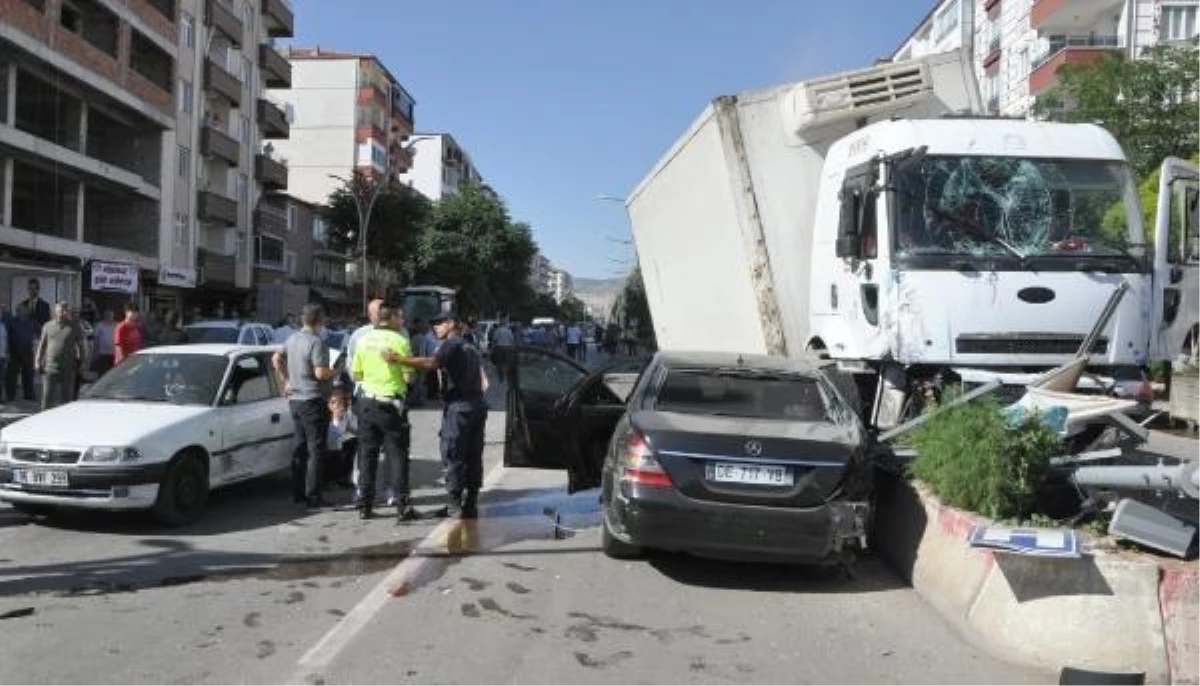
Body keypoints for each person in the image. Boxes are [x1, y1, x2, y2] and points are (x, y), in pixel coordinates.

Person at [402, 310, 489, 519]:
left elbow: (432, 363)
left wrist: (398, 359)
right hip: (477, 406)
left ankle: (454, 503)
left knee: (453, 454)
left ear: (451, 324)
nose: (435, 327)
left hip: (460, 408)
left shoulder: (452, 344)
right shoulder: (469, 344)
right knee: (473, 455)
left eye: (439, 323)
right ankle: (471, 502)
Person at [350, 305, 420, 521]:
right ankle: (401, 504)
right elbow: (409, 378)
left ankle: (365, 504)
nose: (403, 320)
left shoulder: (363, 340)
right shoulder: (400, 341)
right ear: (390, 319)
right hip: (390, 405)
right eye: (400, 316)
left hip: (366, 403)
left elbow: (357, 374)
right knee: (397, 454)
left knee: (367, 454)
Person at [272, 304, 336, 509]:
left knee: (300, 447)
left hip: (296, 401)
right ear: (320, 320)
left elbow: (276, 358)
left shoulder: (292, 339)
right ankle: (314, 495)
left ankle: (298, 493)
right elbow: (320, 374)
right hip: (313, 399)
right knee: (316, 449)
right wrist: (336, 370)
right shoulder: (317, 342)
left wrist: (287, 381)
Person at [35, 303, 84, 411]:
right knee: (47, 397)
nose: (63, 313)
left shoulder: (75, 326)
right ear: (55, 312)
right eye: (61, 310)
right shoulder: (47, 326)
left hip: (68, 367)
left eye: (65, 310)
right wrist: (37, 361)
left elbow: (81, 346)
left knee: (66, 398)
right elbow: (42, 345)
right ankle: (44, 418)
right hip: (50, 367)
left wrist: (81, 363)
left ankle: (65, 420)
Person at [324, 383, 358, 489]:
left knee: (352, 442)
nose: (340, 404)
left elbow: (353, 429)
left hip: (340, 442)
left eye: (342, 400)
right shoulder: (327, 417)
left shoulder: (347, 413)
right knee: (333, 454)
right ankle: (330, 480)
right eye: (335, 402)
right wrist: (335, 416)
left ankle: (344, 478)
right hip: (330, 446)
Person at [92, 310, 117, 376]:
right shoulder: (99, 325)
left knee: (113, 372)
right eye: (108, 316)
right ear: (104, 316)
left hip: (114, 353)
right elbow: (96, 339)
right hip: (102, 353)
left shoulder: (116, 325)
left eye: (111, 316)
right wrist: (95, 351)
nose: (109, 317)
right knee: (102, 372)